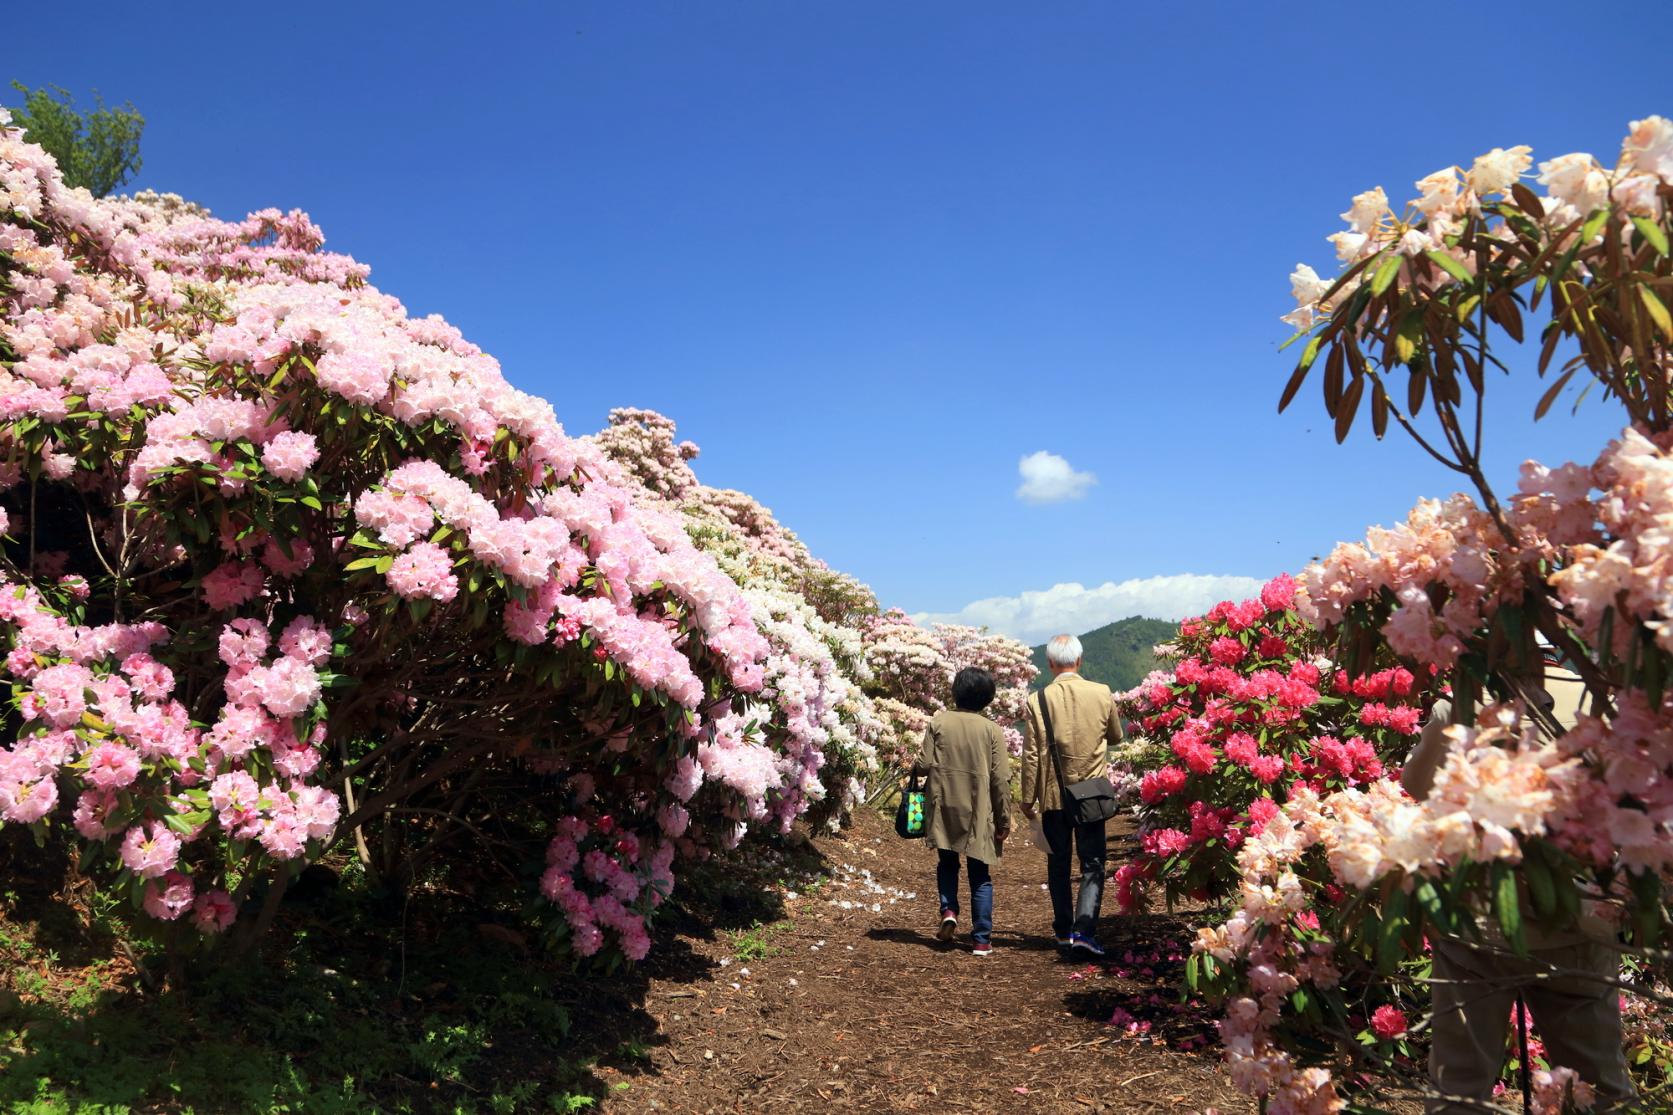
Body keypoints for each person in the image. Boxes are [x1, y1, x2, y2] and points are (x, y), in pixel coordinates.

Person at [1403, 653, 1636, 1114]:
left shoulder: (1461, 703)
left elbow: (1420, 784)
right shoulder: (1601, 703)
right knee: (1598, 1087)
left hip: (1477, 926)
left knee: (1459, 1088)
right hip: (1577, 923)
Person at [1020, 634, 1124, 957]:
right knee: (1093, 863)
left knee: (1059, 864)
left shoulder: (1037, 700)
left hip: (1054, 796)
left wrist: (1027, 798)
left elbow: (1032, 754)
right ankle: (1085, 931)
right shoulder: (1102, 692)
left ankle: (1064, 931)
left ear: (1050, 663)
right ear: (1079, 660)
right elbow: (1116, 736)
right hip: (1091, 794)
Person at [912, 666, 1012, 956]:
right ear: (987, 698)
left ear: (955, 692)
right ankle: (981, 939)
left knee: (947, 863)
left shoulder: (939, 722)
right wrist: (1004, 818)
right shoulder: (991, 730)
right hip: (978, 810)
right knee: (980, 874)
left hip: (943, 806)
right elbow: (1000, 779)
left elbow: (923, 765)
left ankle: (949, 911)